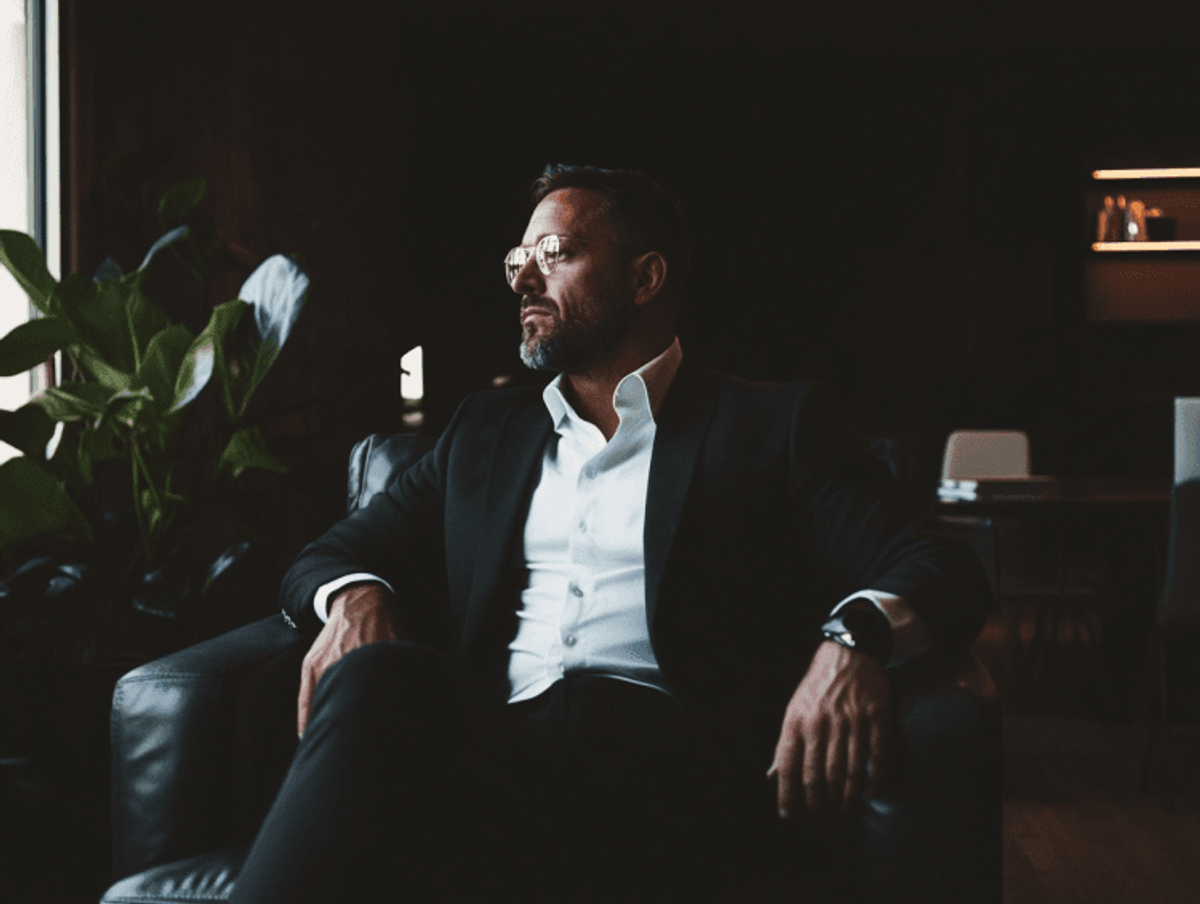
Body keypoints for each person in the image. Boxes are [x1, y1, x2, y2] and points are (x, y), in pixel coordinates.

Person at [229, 165, 991, 903]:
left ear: (644, 278)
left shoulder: (772, 426)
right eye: (517, 260)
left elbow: (938, 563)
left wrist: (851, 642)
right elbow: (328, 555)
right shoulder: (483, 436)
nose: (524, 279)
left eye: (554, 255)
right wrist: (356, 596)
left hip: (676, 769)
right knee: (374, 676)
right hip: (496, 756)